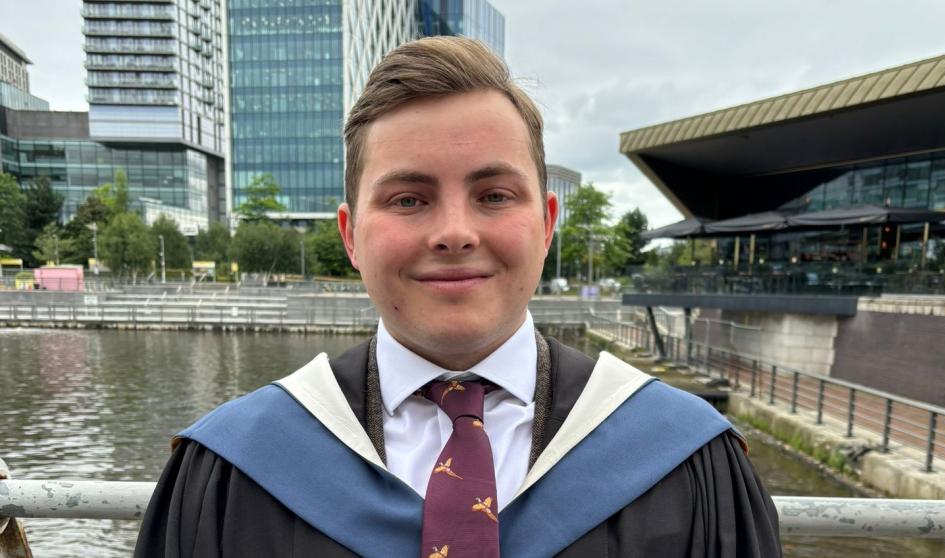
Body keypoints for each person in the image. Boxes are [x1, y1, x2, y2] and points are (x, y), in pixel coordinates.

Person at [134, 36, 781, 558]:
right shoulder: (231, 470)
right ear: (351, 235)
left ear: (548, 223)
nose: (453, 233)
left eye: (494, 195)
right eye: (408, 199)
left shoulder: (687, 461)